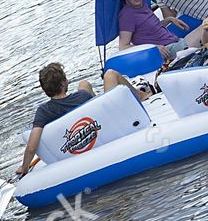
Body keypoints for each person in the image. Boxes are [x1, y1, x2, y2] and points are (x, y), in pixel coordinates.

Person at [15, 62, 145, 178]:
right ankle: (140, 95)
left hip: (76, 138)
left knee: (84, 84)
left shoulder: (43, 111)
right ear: (64, 82)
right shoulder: (83, 97)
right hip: (103, 123)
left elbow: (32, 147)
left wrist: (24, 167)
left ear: (45, 90)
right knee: (109, 74)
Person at [115, 0, 208, 63]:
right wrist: (152, 48)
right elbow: (123, 46)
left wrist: (169, 19)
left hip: (175, 41)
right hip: (167, 51)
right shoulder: (127, 16)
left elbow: (150, 29)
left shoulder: (142, 4)